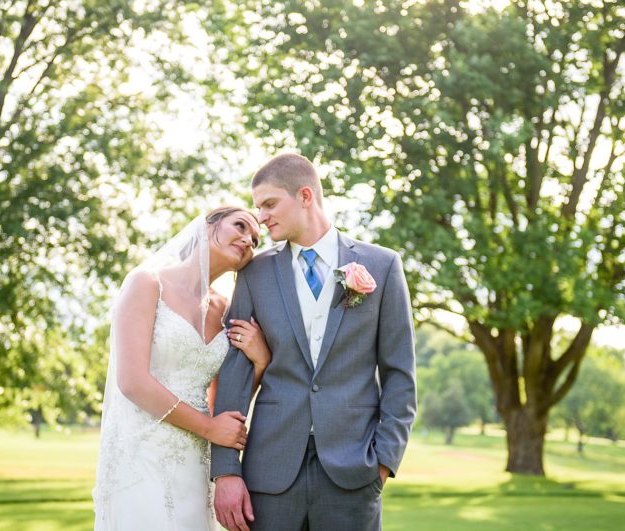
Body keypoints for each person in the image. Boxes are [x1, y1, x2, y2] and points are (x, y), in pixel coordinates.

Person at [211, 154, 417, 531]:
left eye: (270, 204)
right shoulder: (254, 273)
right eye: (258, 208)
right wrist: (225, 471)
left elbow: (400, 375)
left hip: (354, 471)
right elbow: (234, 374)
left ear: (305, 195)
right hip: (269, 471)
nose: (262, 217)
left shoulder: (382, 265)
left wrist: (384, 461)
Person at [93, 206, 270, 530]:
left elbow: (224, 398)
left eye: (255, 240)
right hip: (141, 455)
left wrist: (260, 362)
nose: (248, 239)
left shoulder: (226, 311)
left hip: (195, 461)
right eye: (240, 226)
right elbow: (132, 381)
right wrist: (208, 427)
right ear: (207, 226)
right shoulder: (146, 284)